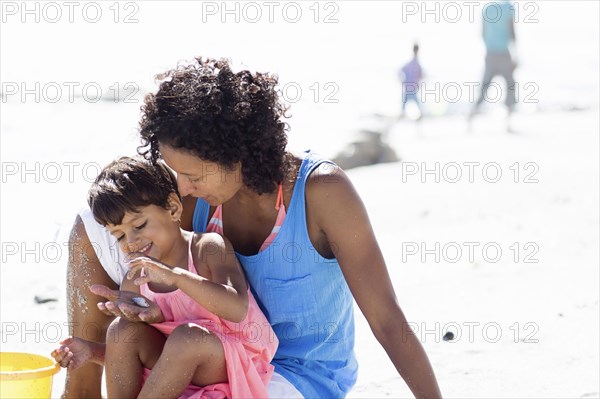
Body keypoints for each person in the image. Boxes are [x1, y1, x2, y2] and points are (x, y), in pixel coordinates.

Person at [61, 57, 442, 398]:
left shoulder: (322, 193)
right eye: (179, 174)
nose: (182, 187)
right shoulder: (195, 199)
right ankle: (80, 393)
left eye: (191, 174)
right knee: (89, 225)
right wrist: (142, 306)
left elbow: (386, 318)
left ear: (235, 154)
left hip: (295, 375)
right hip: (212, 358)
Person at [53, 156, 278, 398]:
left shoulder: (207, 249)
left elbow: (237, 309)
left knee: (187, 337)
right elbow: (141, 351)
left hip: (235, 359)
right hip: (176, 371)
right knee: (121, 330)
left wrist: (176, 277)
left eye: (139, 225)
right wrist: (93, 351)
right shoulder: (136, 278)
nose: (131, 242)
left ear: (173, 208)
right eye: (119, 236)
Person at [470, 1, 517, 118]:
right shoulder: (508, 7)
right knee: (510, 85)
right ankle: (509, 118)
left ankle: (471, 115)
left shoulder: (486, 9)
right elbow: (512, 33)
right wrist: (516, 55)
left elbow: (482, 33)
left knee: (485, 86)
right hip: (504, 54)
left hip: (490, 54)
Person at [399, 43, 423, 119]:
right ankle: (403, 114)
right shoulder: (416, 64)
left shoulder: (412, 64)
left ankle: (402, 115)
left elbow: (400, 71)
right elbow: (421, 75)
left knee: (405, 103)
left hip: (409, 87)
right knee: (411, 102)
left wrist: (403, 81)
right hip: (411, 87)